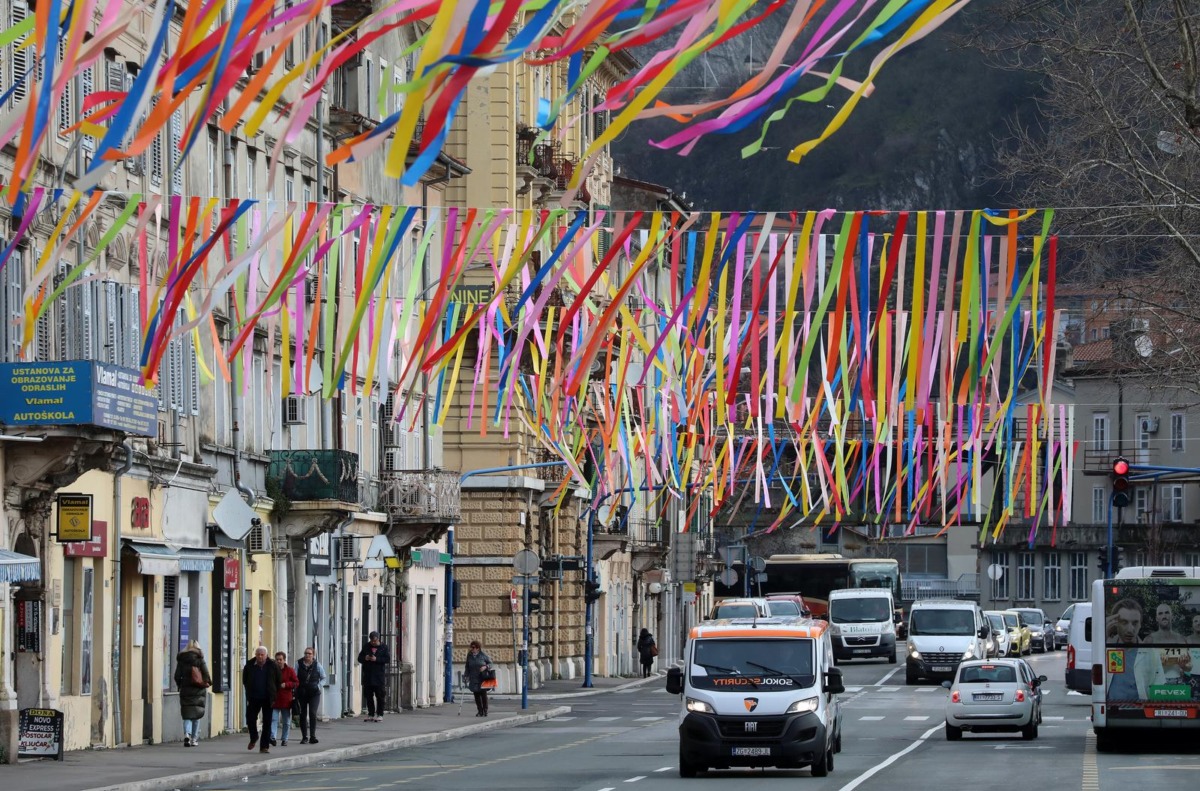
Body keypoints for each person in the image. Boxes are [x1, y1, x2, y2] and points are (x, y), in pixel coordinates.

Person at [243, 646, 281, 753]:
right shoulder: (250, 665)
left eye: (262, 654)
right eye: (258, 654)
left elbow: (278, 680)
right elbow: (245, 680)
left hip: (267, 698)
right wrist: (249, 692)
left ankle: (264, 746)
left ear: (266, 655)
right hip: (254, 697)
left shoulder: (273, 665)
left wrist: (274, 694)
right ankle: (254, 737)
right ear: (255, 655)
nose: (260, 657)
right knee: (250, 718)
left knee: (267, 722)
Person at [173, 641, 211, 747]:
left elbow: (177, 676)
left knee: (187, 714)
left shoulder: (182, 660)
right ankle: (194, 739)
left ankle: (186, 734)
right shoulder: (199, 659)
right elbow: (206, 673)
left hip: (186, 689)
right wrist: (208, 682)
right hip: (198, 690)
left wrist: (180, 684)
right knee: (196, 714)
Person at [295, 647, 327, 744]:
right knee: (303, 714)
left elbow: (323, 678)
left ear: (313, 655)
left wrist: (318, 686)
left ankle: (313, 736)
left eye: (309, 654)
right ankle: (304, 737)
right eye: (306, 653)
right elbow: (294, 676)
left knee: (313, 713)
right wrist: (296, 687)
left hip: (314, 693)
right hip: (302, 692)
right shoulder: (298, 664)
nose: (307, 655)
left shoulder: (317, 665)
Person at [357, 631, 390, 722]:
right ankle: (371, 713)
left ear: (378, 639)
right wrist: (365, 658)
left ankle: (380, 714)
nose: (373, 642)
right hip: (368, 675)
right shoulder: (366, 646)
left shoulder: (383, 647)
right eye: (371, 641)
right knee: (368, 696)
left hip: (379, 676)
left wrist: (377, 659)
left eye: (375, 641)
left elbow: (387, 659)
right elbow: (359, 658)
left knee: (380, 696)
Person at [271, 651, 298, 746]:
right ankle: (272, 737)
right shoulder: (272, 670)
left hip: (286, 699)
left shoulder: (290, 670)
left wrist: (286, 685)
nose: (278, 661)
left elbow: (296, 683)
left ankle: (285, 739)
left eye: (280, 660)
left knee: (286, 721)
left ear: (284, 660)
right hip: (274, 698)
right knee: (273, 719)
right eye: (277, 660)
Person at [464, 640, 493, 717]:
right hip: (473, 677)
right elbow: (467, 666)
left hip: (482, 677)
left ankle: (485, 710)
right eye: (471, 647)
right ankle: (480, 711)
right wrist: (466, 676)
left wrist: (485, 667)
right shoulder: (469, 656)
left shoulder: (483, 655)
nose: (472, 649)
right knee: (476, 695)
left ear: (478, 648)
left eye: (473, 647)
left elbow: (491, 663)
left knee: (483, 694)